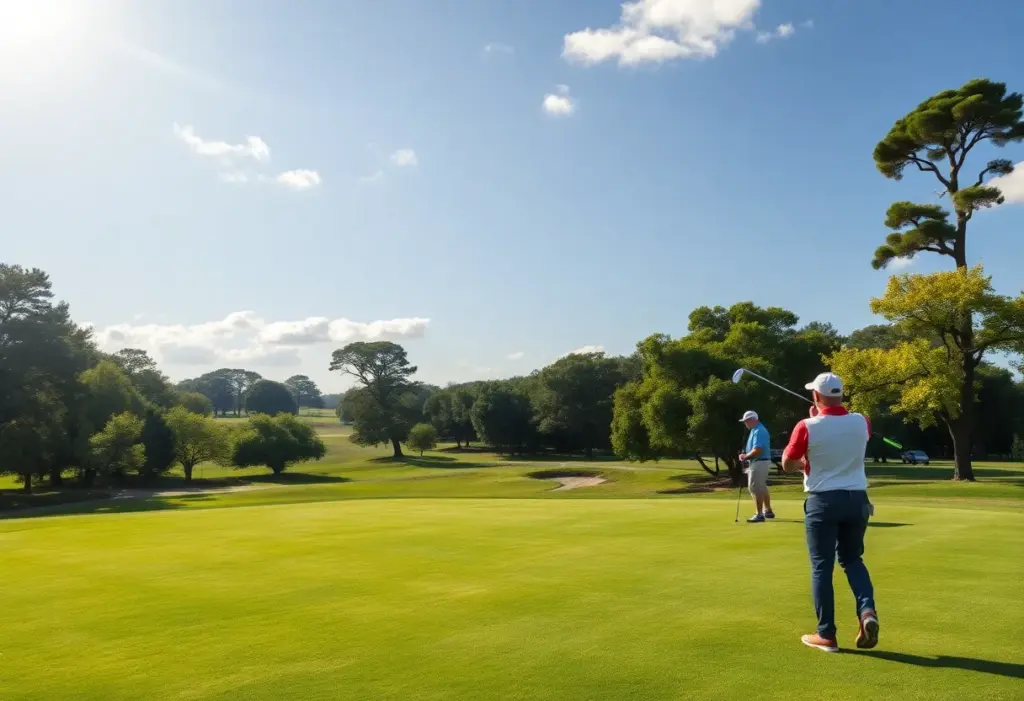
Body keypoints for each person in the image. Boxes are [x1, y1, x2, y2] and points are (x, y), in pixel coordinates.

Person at [781, 372, 879, 653]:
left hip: (823, 502)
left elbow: (788, 464)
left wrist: (806, 461)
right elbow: (846, 445)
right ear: (840, 394)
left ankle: (826, 635)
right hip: (857, 499)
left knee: (822, 566)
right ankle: (867, 612)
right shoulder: (862, 422)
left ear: (816, 396)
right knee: (852, 559)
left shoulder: (806, 425)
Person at [738, 410, 774, 523]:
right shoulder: (755, 430)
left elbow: (758, 449)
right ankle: (768, 510)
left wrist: (745, 457)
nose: (745, 423)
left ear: (753, 420)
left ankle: (759, 514)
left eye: (747, 421)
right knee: (761, 486)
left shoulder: (759, 431)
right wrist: (746, 455)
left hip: (759, 461)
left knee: (754, 487)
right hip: (759, 461)